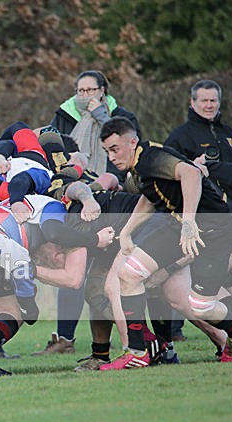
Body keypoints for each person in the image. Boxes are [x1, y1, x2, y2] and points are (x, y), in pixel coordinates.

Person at [100, 117, 232, 370]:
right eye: (107, 151)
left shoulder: (151, 157)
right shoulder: (140, 167)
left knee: (201, 307)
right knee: (128, 275)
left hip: (215, 229)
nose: (112, 157)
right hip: (179, 225)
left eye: (115, 149)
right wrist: (126, 232)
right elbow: (150, 197)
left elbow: (190, 173)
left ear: (132, 141)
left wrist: (190, 221)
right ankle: (138, 352)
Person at [38, 70, 142, 356]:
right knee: (82, 273)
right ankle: (66, 339)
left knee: (114, 281)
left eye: (90, 91)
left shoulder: (120, 116)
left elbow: (128, 147)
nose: (84, 97)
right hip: (81, 199)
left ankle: (154, 339)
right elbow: (46, 141)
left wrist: (100, 115)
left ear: (103, 91)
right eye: (80, 91)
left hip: (114, 202)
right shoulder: (63, 116)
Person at [165, 79, 232, 177]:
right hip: (204, 196)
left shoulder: (228, 132)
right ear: (192, 102)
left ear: (219, 103)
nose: (209, 105)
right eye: (204, 101)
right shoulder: (180, 136)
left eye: (213, 101)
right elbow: (169, 174)